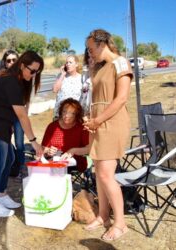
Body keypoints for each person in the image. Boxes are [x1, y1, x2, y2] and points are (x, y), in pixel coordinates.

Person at [0, 50, 44, 217]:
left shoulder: (16, 81)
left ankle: (1, 194)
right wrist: (34, 141)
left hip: (1, 127)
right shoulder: (10, 81)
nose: (34, 74)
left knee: (10, 159)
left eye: (37, 71)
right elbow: (22, 115)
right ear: (22, 65)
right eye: (32, 70)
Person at [83, 29, 133, 241]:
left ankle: (120, 223)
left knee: (105, 175)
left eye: (91, 49)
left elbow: (121, 99)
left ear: (102, 44)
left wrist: (98, 119)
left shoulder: (120, 63)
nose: (89, 53)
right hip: (98, 122)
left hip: (111, 123)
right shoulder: (100, 67)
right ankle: (103, 216)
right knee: (98, 173)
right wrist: (90, 118)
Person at [41, 98, 89, 173]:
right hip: (55, 158)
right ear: (61, 112)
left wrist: (73, 151)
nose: (67, 115)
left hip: (75, 161)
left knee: (58, 170)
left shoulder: (81, 128)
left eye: (72, 113)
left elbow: (89, 149)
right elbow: (43, 147)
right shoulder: (52, 126)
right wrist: (48, 151)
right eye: (64, 112)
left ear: (77, 115)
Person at [0, 50, 26, 180]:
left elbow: (27, 99)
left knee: (19, 143)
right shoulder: (1, 77)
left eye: (14, 60)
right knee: (6, 143)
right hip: (6, 116)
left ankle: (20, 168)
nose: (11, 63)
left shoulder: (23, 77)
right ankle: (8, 166)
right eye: (8, 60)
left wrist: (25, 115)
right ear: (5, 62)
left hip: (20, 116)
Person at [53, 55, 82, 119]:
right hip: (59, 114)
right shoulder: (61, 76)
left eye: (70, 62)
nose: (68, 64)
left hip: (74, 115)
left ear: (76, 64)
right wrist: (62, 74)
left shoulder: (81, 78)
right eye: (67, 62)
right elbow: (55, 90)